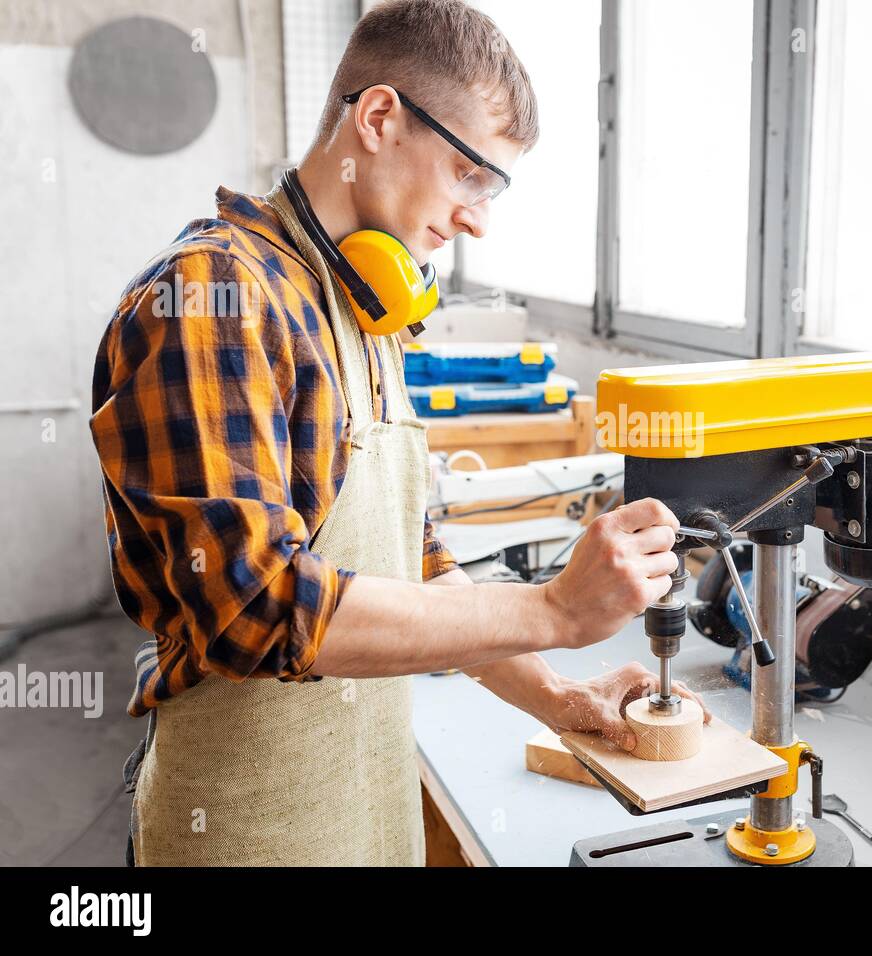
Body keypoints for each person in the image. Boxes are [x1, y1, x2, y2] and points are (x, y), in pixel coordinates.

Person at [90, 0, 704, 866]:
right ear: (378, 118)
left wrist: (558, 695)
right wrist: (552, 609)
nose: (479, 219)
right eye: (471, 175)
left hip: (366, 820)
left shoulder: (368, 313)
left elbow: (410, 562)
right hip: (243, 832)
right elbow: (255, 612)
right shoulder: (213, 298)